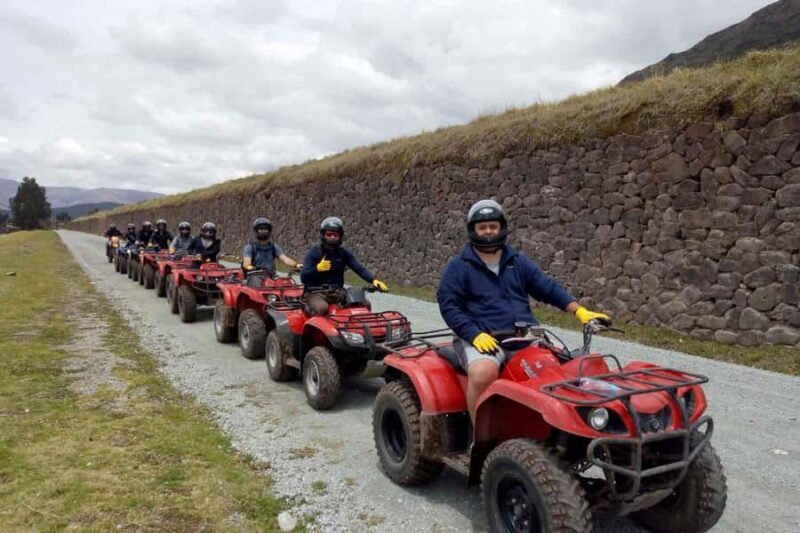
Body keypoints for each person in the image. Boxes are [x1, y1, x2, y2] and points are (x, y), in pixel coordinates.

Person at [437, 199, 610, 422]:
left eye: (492, 226)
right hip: (482, 339)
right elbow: (449, 306)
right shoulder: (459, 266)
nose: (488, 232)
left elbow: (546, 287)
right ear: (473, 230)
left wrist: (580, 312)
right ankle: (478, 437)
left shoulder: (517, 260)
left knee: (558, 370)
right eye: (482, 227)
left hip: (523, 337)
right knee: (482, 373)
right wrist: (474, 334)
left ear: (501, 227)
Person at [300, 216, 388, 315]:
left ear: (340, 236)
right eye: (329, 234)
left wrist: (374, 280)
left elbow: (359, 268)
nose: (332, 237)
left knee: (364, 304)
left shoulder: (344, 253)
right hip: (315, 293)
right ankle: (312, 329)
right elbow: (304, 277)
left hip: (338, 292)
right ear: (323, 235)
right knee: (321, 308)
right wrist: (317, 269)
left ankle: (357, 329)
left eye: (335, 235)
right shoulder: (313, 253)